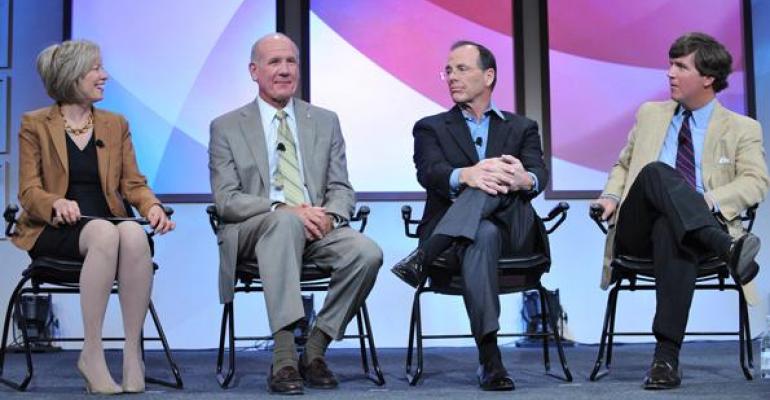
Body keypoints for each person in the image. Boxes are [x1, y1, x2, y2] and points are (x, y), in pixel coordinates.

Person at [591, 32, 769, 390]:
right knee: (656, 172)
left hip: (689, 235)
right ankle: (726, 247)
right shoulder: (650, 114)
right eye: (670, 64)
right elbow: (625, 166)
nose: (670, 73)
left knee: (672, 229)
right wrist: (610, 196)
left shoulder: (742, 128)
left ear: (708, 77)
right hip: (636, 232)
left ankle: (665, 359)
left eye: (680, 66)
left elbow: (756, 182)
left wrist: (709, 199)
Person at [208, 33, 382, 395]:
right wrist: (281, 208)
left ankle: (315, 349)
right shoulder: (226, 126)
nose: (285, 70)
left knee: (366, 253)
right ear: (254, 71)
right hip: (254, 232)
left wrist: (330, 217)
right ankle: (285, 356)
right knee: (285, 221)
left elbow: (341, 187)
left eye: (291, 62)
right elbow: (226, 200)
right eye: (274, 62)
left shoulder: (324, 120)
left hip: (315, 228)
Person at [12, 40, 175, 394]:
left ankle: (132, 353)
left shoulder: (115, 124)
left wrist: (152, 207)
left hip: (107, 225)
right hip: (57, 230)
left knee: (131, 233)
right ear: (73, 76)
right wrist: (55, 202)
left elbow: (133, 183)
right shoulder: (35, 124)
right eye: (97, 69)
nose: (105, 76)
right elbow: (28, 191)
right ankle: (92, 353)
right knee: (104, 232)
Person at [405, 40, 548, 391]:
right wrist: (466, 175)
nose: (452, 77)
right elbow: (430, 172)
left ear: (489, 76)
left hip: (513, 230)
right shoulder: (430, 127)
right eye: (448, 70)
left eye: (462, 69)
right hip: (467, 240)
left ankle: (425, 254)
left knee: (495, 173)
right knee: (480, 230)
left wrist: (523, 178)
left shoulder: (521, 128)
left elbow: (538, 174)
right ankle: (490, 357)